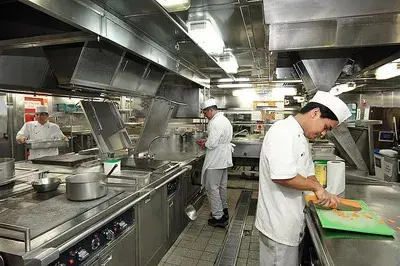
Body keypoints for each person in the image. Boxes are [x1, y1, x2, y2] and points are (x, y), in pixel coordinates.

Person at [255, 91, 352, 266]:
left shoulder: (302, 137)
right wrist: (317, 189)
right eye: (325, 127)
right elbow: (282, 176)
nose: (323, 134)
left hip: (292, 222)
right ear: (315, 113)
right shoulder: (282, 131)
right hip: (279, 225)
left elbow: (309, 174)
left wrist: (325, 194)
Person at [197, 98, 233, 227]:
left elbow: (212, 143)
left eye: (205, 112)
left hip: (216, 160)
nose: (204, 115)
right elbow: (219, 139)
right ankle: (224, 210)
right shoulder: (224, 120)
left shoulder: (215, 122)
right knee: (221, 187)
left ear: (211, 110)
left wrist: (205, 143)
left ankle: (219, 218)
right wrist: (207, 141)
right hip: (224, 159)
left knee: (212, 188)